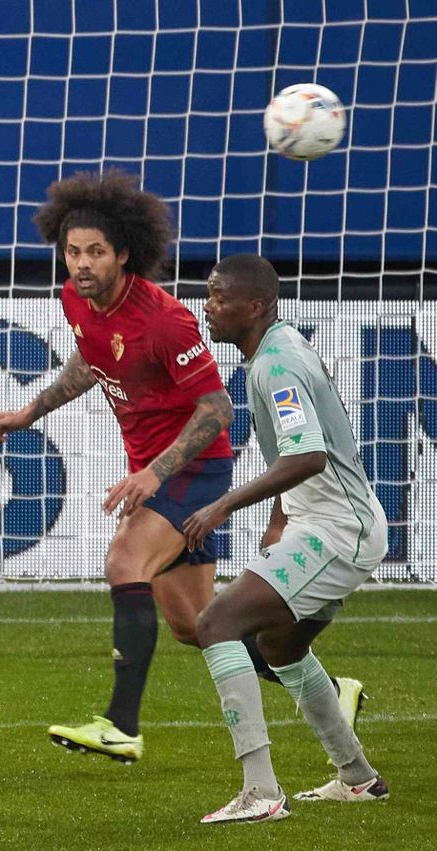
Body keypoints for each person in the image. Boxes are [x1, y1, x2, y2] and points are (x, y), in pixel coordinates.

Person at [0, 170, 234, 763]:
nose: (81, 264)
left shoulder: (166, 320)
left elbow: (218, 407)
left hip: (194, 469)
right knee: (198, 628)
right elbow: (89, 363)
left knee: (123, 559)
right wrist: (29, 411)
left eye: (95, 252)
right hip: (155, 468)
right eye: (72, 252)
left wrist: (154, 472)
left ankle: (122, 725)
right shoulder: (76, 299)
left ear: (124, 253)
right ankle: (326, 688)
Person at [184, 253, 389, 824]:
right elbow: (299, 451)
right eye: (209, 293)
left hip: (337, 530)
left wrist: (224, 503)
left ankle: (261, 792)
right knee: (281, 647)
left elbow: (307, 454)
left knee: (215, 624)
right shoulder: (277, 350)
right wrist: (280, 521)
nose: (209, 306)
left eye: (220, 297)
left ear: (255, 307)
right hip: (330, 522)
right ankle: (357, 778)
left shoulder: (276, 365)